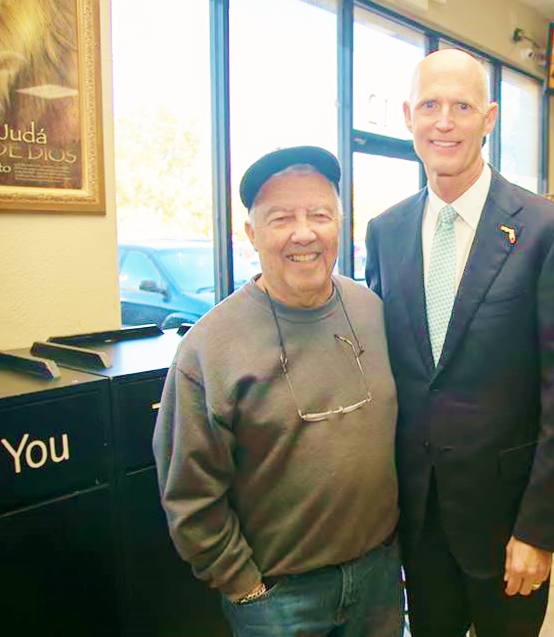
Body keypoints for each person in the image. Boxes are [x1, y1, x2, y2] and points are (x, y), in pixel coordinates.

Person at [365, 49, 554, 636]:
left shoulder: (549, 233)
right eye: (430, 106)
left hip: (507, 522)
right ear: (407, 117)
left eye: (461, 106)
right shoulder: (385, 232)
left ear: (488, 119)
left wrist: (540, 528)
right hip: (417, 519)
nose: (445, 122)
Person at [153, 146, 402, 636]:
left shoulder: (374, 312)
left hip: (379, 581)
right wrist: (244, 586)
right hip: (280, 600)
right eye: (281, 217)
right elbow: (189, 494)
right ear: (251, 234)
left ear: (340, 224)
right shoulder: (209, 350)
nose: (304, 233)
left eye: (320, 215)